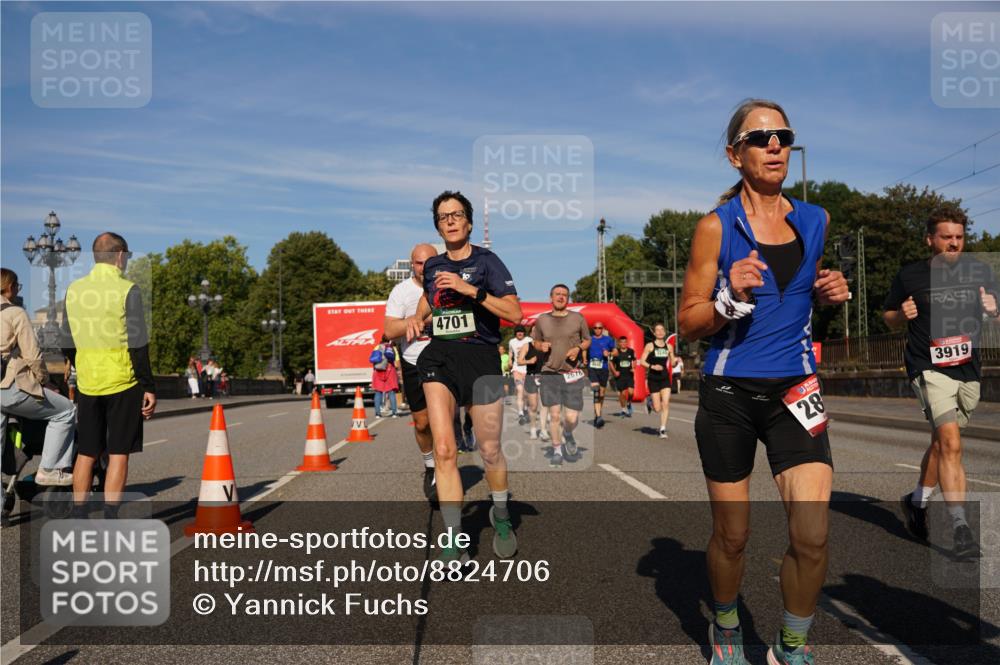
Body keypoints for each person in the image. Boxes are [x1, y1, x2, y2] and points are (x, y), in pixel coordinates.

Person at [678, 99, 849, 665]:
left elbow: (797, 302)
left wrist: (826, 296)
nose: (775, 145)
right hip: (729, 394)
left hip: (796, 390)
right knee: (733, 536)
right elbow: (688, 322)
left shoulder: (816, 220)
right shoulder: (715, 228)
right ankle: (725, 621)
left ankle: (791, 647)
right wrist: (727, 301)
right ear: (735, 155)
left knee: (813, 534)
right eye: (761, 137)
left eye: (783, 135)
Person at [405, 190, 522, 562]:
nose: (451, 220)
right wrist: (416, 318)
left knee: (488, 449)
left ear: (469, 222)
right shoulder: (434, 266)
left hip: (481, 357)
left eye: (457, 214)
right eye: (443, 216)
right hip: (440, 357)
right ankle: (453, 539)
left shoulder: (489, 262)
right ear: (438, 225)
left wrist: (470, 289)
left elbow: (515, 314)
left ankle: (500, 514)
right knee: (445, 449)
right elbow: (428, 300)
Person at [887, 204, 999, 559]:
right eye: (946, 237)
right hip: (928, 367)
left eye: (960, 238)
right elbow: (889, 315)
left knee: (941, 440)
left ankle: (917, 501)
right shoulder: (911, 276)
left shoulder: (980, 271)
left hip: (968, 369)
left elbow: (997, 311)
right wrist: (899, 316)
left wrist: (993, 307)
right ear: (930, 239)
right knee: (950, 443)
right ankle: (960, 528)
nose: (954, 244)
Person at [63, 233, 157, 516]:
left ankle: (79, 513)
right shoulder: (128, 289)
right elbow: (138, 342)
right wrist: (148, 386)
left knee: (87, 451)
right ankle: (110, 515)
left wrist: (82, 363)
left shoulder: (75, 290)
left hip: (88, 383)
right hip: (122, 381)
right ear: (119, 255)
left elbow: (66, 341)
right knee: (118, 452)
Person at [1, 268, 76, 486]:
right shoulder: (15, 313)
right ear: (9, 287)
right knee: (65, 411)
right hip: (10, 388)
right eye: (16, 286)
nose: (17, 290)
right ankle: (49, 469)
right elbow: (33, 355)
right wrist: (46, 382)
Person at [384, 242, 439, 503]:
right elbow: (389, 331)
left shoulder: (448, 287)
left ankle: (446, 468)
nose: (424, 267)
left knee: (443, 420)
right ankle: (430, 466)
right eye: (419, 262)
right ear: (412, 265)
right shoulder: (401, 291)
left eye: (429, 261)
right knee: (422, 423)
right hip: (412, 361)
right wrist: (415, 322)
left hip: (443, 361)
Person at [532, 284, 591, 467]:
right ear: (550, 297)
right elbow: (535, 340)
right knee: (555, 415)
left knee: (572, 418)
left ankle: (567, 433)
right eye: (557, 294)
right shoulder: (542, 319)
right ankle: (557, 450)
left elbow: (587, 340)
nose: (560, 297)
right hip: (549, 372)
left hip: (572, 373)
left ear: (568, 298)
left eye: (564, 295)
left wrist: (578, 348)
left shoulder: (578, 318)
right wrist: (539, 346)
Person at [641, 323, 675, 439]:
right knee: (657, 408)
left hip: (665, 378)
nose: (660, 332)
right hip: (653, 378)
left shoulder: (669, 347)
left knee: (666, 403)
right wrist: (652, 366)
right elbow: (642, 361)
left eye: (662, 330)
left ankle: (662, 429)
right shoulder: (649, 346)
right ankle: (650, 401)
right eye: (657, 330)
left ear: (665, 333)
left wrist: (674, 361)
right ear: (654, 333)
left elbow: (672, 360)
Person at [586, 320, 616, 428]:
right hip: (592, 368)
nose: (597, 330)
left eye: (600, 328)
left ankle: (598, 412)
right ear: (593, 329)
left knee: (602, 394)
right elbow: (583, 349)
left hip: (603, 368)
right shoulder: (589, 339)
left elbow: (615, 352)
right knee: (596, 391)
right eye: (595, 328)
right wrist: (584, 359)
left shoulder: (608, 340)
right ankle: (598, 416)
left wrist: (609, 353)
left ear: (602, 329)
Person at [517, 332, 547, 439]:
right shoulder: (527, 345)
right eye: (534, 331)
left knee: (544, 404)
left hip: (544, 377)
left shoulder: (546, 345)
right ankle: (533, 428)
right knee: (533, 406)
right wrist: (529, 361)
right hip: (531, 377)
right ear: (531, 334)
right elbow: (519, 361)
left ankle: (543, 430)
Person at [507, 325, 533, 425]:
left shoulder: (529, 339)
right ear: (515, 333)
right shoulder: (512, 342)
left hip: (528, 369)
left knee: (526, 393)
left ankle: (525, 407)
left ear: (524, 333)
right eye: (518, 332)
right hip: (517, 369)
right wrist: (509, 360)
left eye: (521, 331)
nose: (520, 333)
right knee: (520, 390)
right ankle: (521, 413)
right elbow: (510, 352)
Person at [370, 336, 399, 418]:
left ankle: (377, 414)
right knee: (391, 392)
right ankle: (394, 413)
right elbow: (396, 362)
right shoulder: (392, 348)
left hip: (378, 371)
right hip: (390, 371)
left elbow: (373, 359)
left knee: (378, 392)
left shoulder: (377, 347)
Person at [610, 336, 636, 417]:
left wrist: (633, 367)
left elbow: (634, 360)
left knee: (631, 392)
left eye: (625, 342)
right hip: (620, 376)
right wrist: (614, 372)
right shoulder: (616, 352)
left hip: (629, 375)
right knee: (623, 394)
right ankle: (623, 409)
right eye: (621, 342)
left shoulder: (631, 351)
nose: (623, 344)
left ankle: (629, 403)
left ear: (627, 343)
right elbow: (610, 363)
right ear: (619, 343)